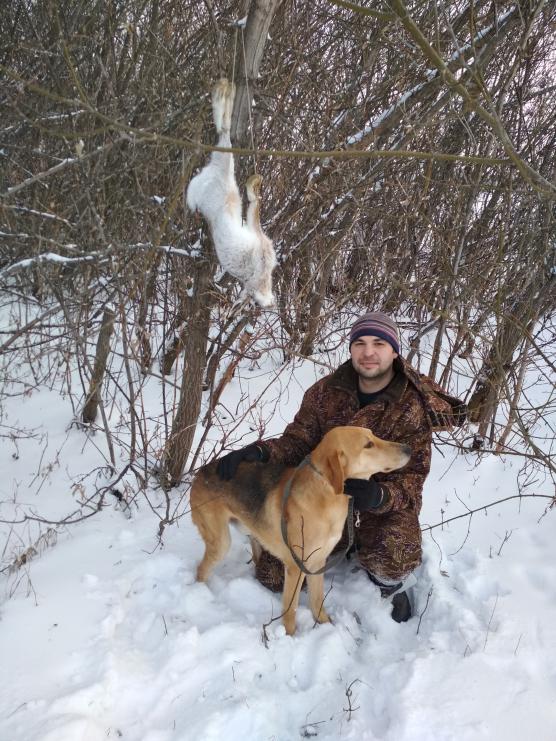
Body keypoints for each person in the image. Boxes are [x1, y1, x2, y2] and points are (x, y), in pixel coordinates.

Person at [216, 312, 466, 623]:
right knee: (273, 576)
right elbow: (298, 442)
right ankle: (336, 546)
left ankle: (389, 583)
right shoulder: (325, 392)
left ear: (394, 351)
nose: (368, 352)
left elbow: (412, 479)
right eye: (360, 343)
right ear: (351, 349)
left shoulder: (410, 406)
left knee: (395, 555)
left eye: (379, 343)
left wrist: (379, 496)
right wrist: (260, 452)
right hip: (324, 498)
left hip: (377, 504)